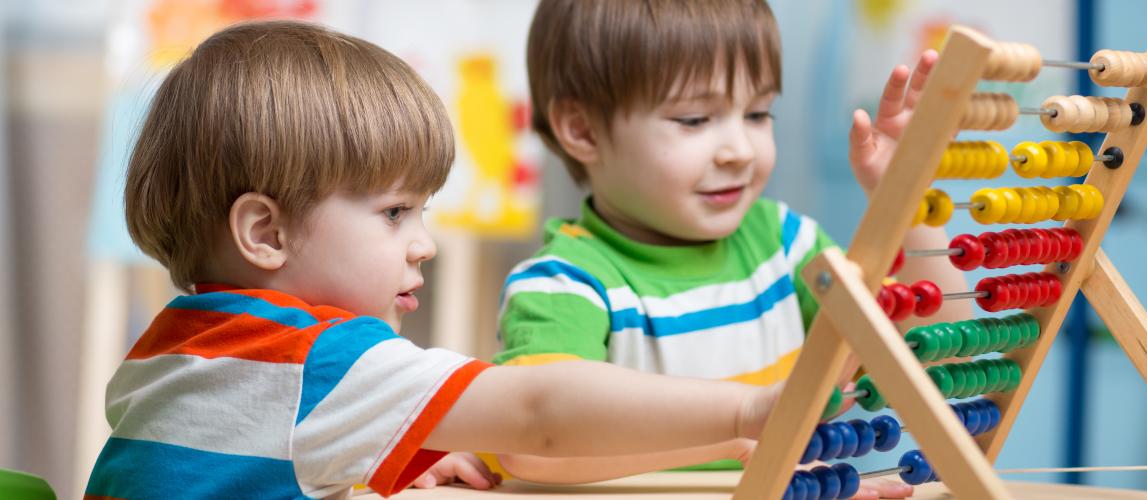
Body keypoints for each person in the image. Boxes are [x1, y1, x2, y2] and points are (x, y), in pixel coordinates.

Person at [83, 21, 782, 499]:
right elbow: (538, 408)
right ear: (266, 233)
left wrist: (382, 442)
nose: (425, 243)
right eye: (395, 213)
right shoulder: (320, 360)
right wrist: (746, 409)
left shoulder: (166, 350)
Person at [491, 1, 968, 497]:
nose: (740, 150)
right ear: (582, 130)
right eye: (695, 119)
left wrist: (906, 197)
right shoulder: (564, 286)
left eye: (758, 113)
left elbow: (932, 354)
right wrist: (737, 437)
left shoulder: (786, 248)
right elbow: (532, 446)